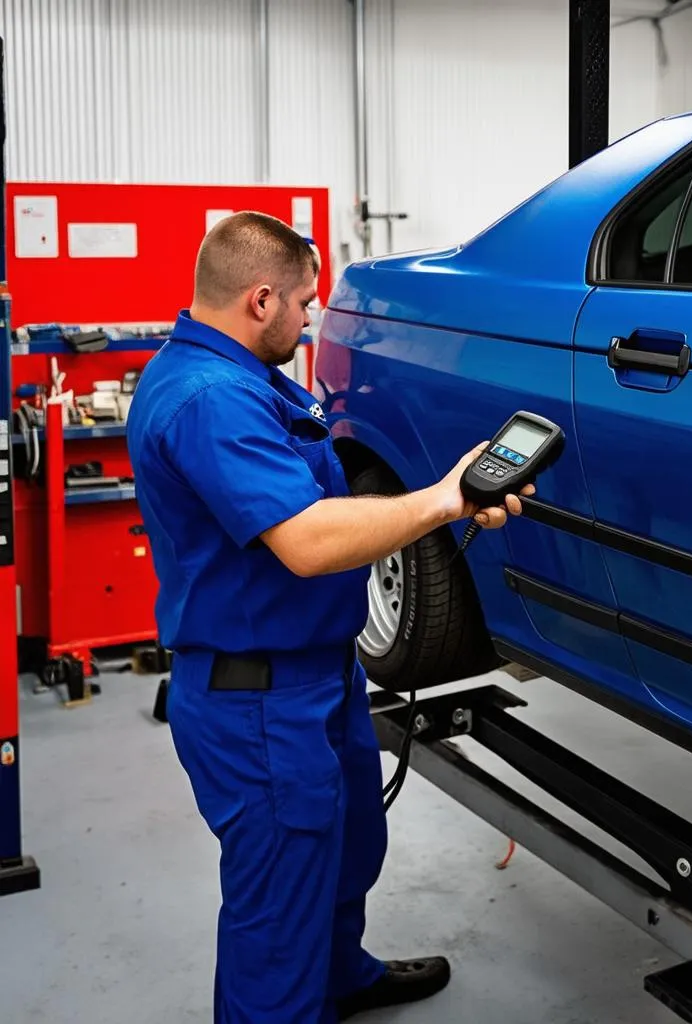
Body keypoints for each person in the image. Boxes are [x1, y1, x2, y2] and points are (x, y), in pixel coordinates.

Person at [126, 211, 534, 1024]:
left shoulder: (241, 374)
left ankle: (340, 976)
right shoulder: (211, 400)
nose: (312, 318)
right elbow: (309, 543)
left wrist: (433, 508)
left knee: (345, 851)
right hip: (259, 704)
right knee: (279, 905)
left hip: (316, 676)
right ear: (262, 299)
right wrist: (444, 500)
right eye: (306, 304)